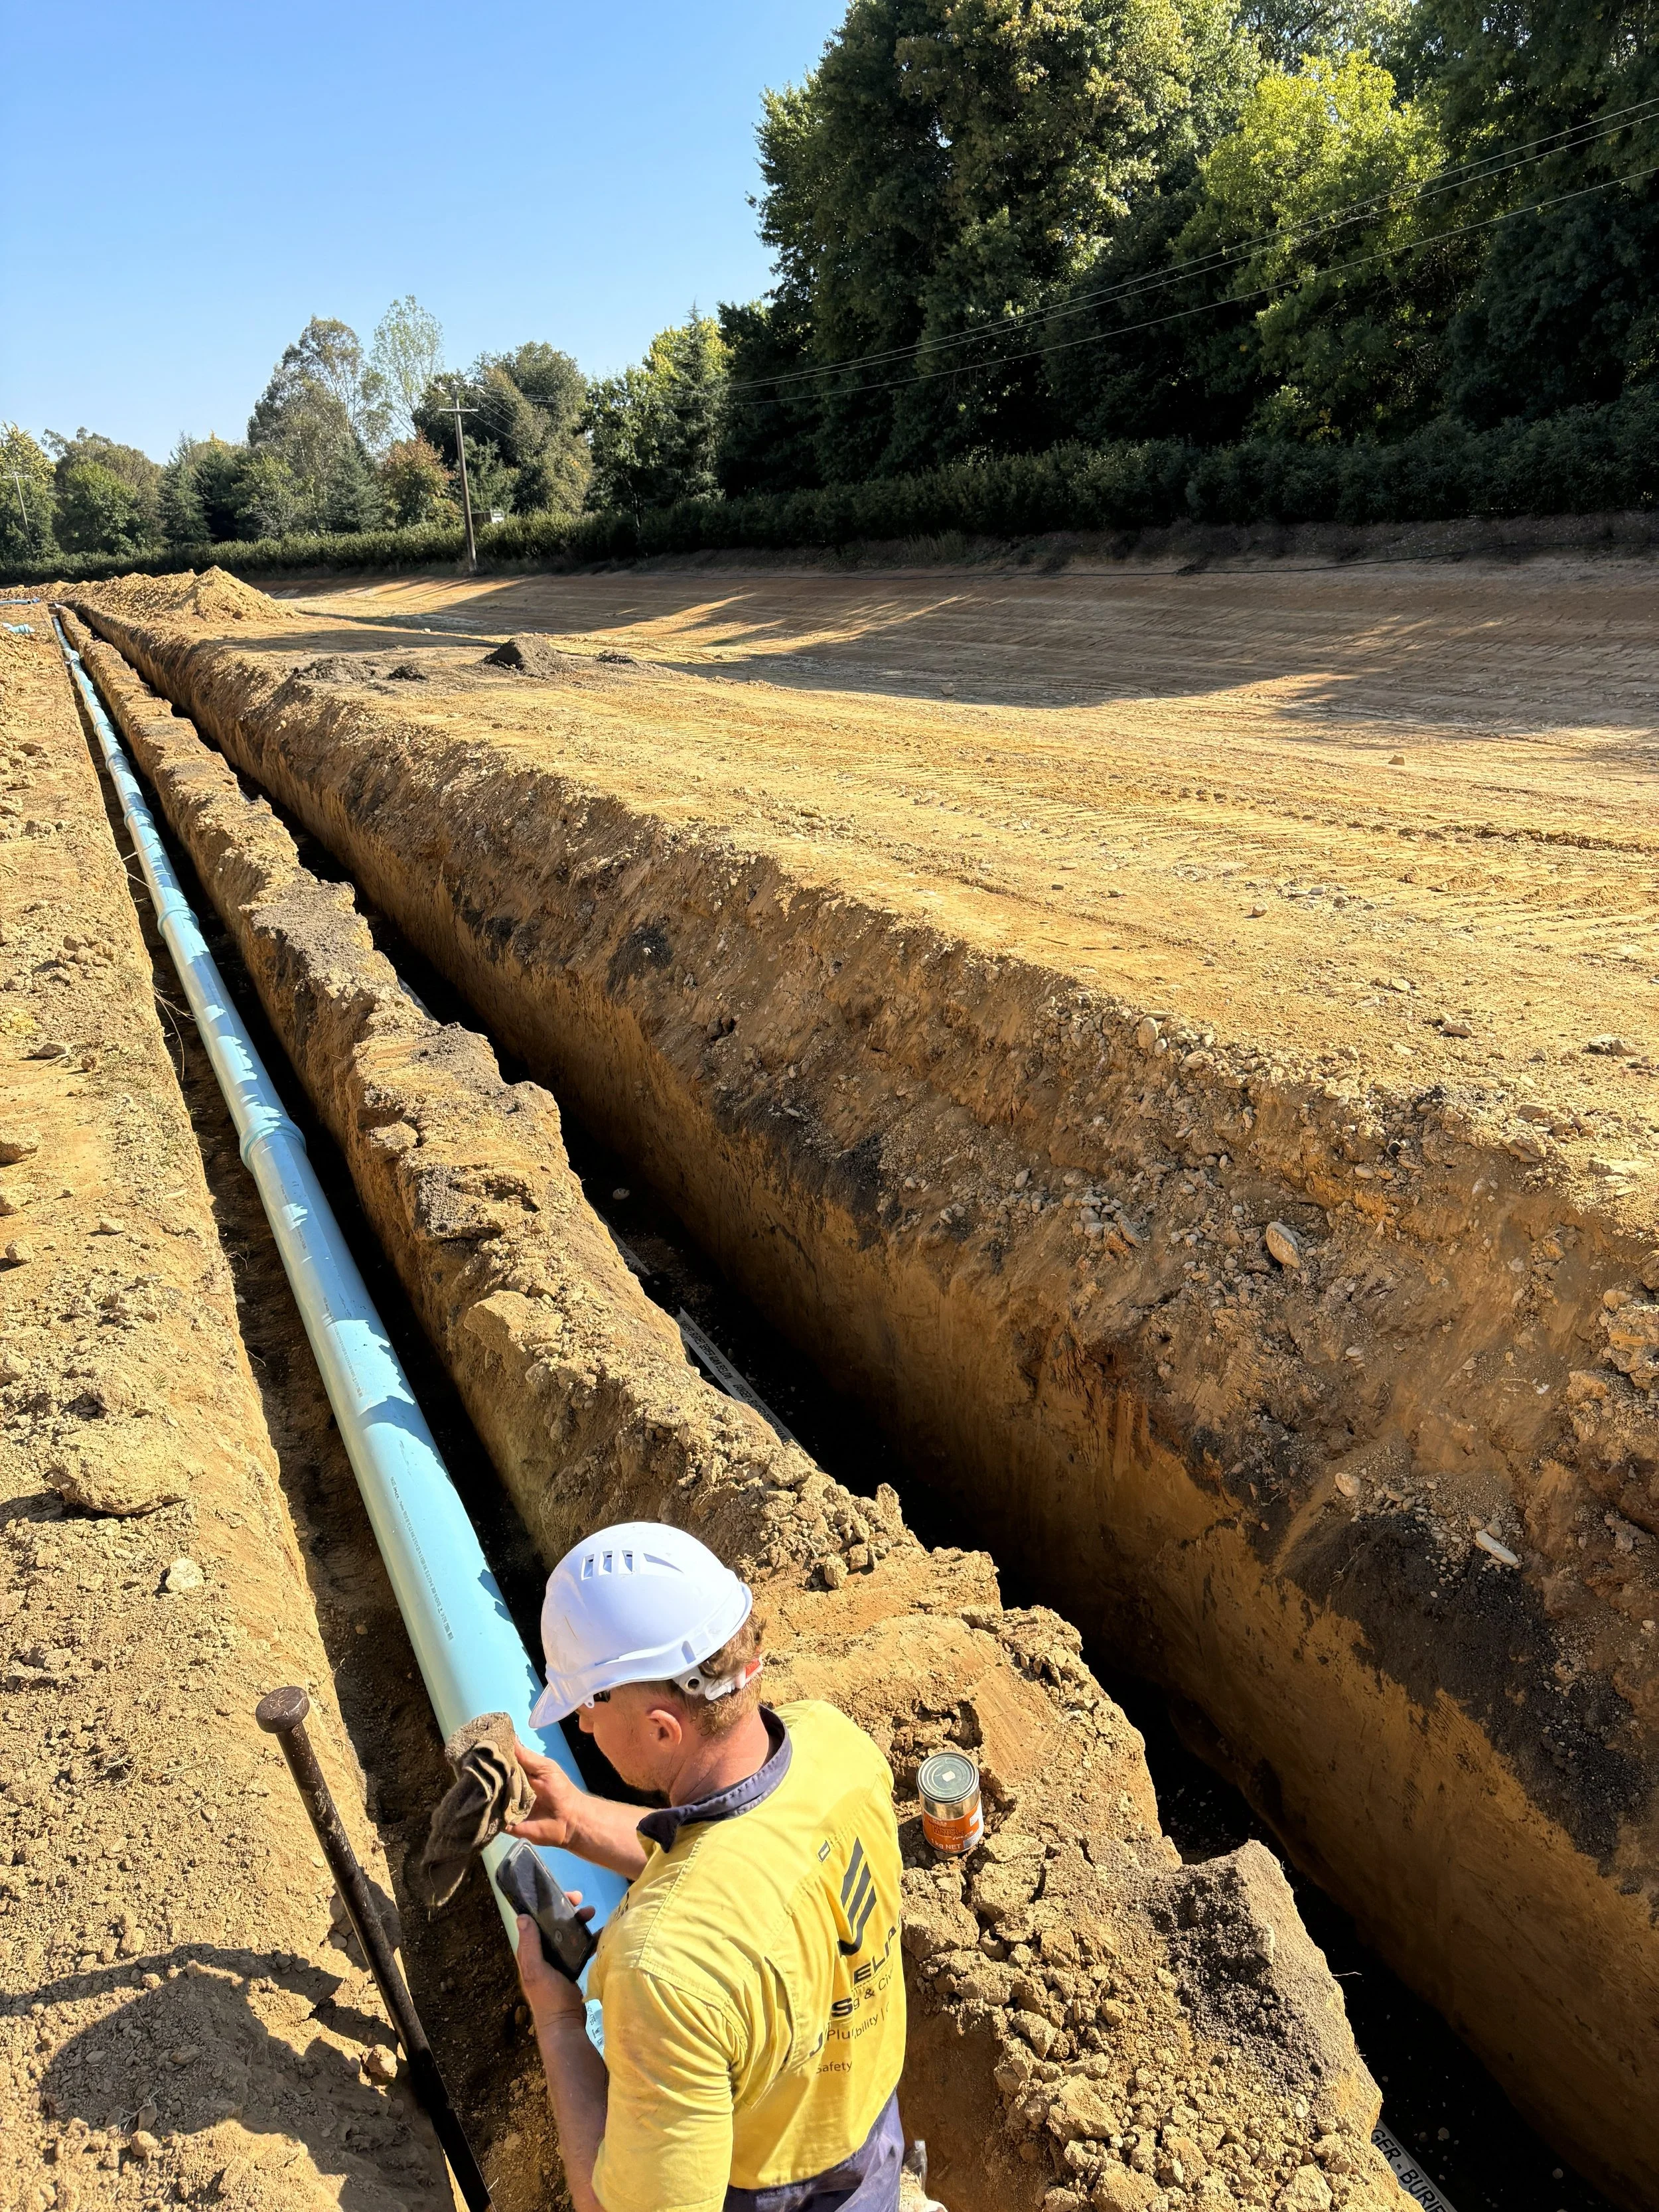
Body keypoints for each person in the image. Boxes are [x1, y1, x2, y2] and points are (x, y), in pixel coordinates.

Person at [507, 1519, 908, 2212]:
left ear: (663, 1727)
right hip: (867, 2132)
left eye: (590, 1704)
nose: (581, 1726)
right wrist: (575, 1820)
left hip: (770, 2187)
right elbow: (740, 1865)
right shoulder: (833, 1744)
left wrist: (559, 2021)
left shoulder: (663, 1974)